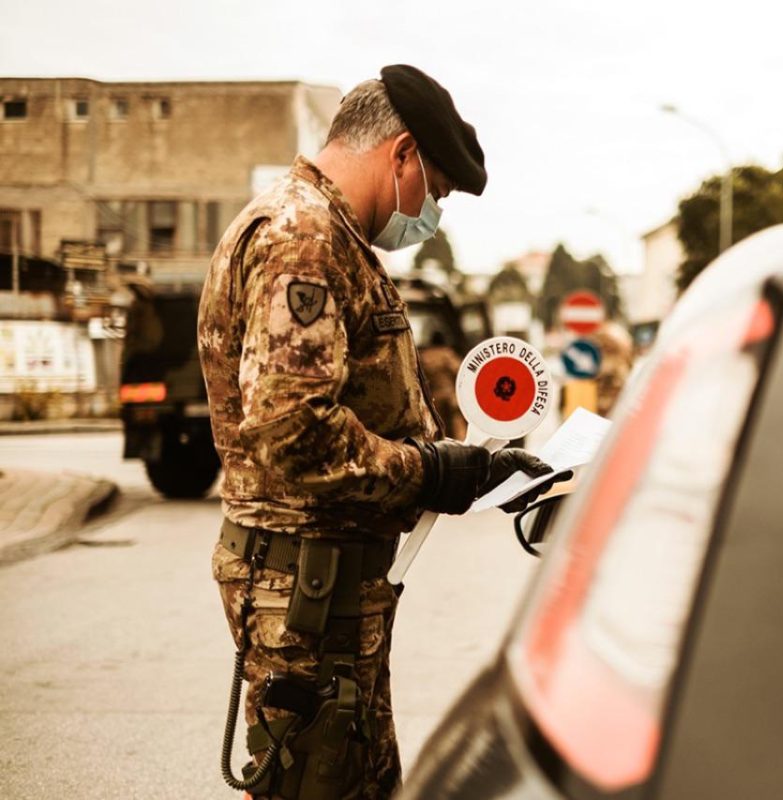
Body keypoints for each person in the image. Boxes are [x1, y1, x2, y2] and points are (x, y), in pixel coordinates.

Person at [198, 65, 564, 800]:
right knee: (317, 786)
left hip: (329, 585)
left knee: (354, 782)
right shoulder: (303, 237)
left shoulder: (331, 233)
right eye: (438, 191)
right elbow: (293, 431)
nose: (433, 213)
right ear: (401, 156)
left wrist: (469, 467)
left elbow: (356, 407)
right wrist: (433, 473)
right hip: (306, 590)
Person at [417, 330, 466, 440]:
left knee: (439, 427)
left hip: (433, 397)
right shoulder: (447, 354)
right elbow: (460, 371)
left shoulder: (423, 356)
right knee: (457, 426)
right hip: (450, 396)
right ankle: (461, 447)